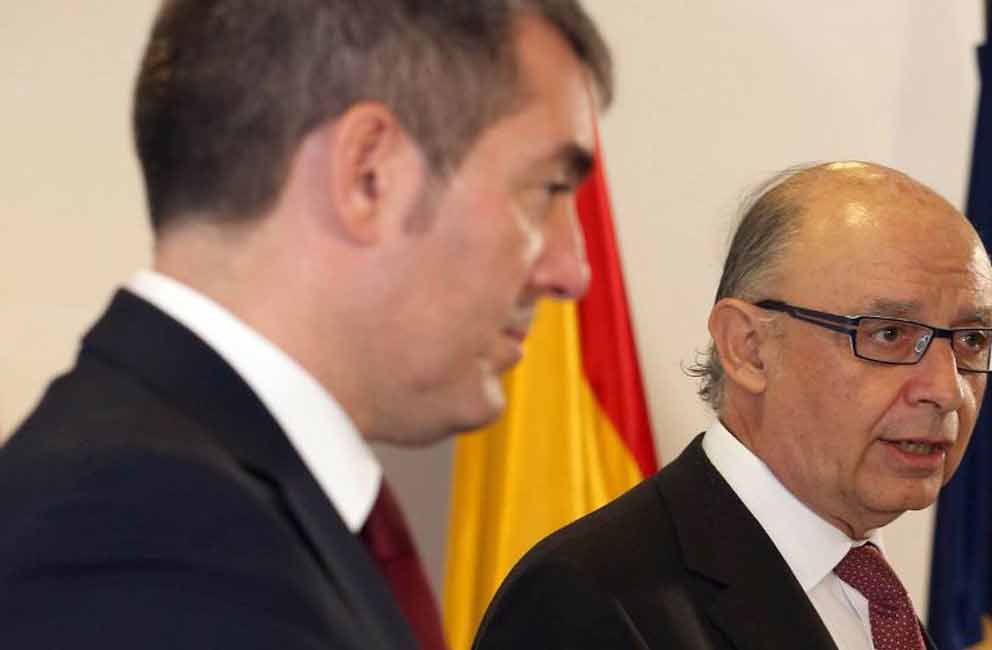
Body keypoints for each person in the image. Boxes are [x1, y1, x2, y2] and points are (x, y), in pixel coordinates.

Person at [0, 2, 612, 649]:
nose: (571, 272)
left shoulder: (200, 509)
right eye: (547, 189)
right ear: (369, 173)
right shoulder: (138, 541)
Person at [473, 161, 992, 650]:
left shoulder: (871, 592)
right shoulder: (584, 601)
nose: (946, 389)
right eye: (888, 335)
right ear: (748, 348)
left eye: (972, 340)